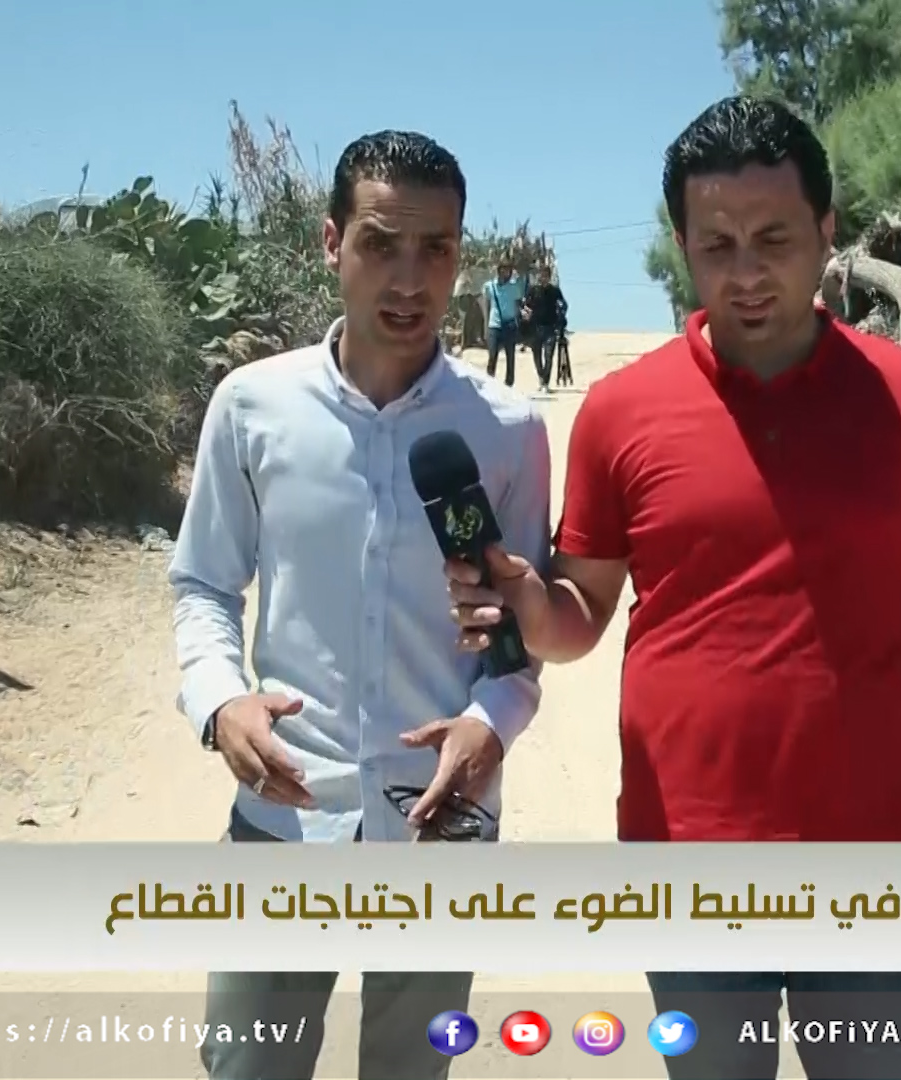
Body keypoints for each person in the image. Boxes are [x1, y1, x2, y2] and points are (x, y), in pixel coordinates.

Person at [441, 95, 901, 1080]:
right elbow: (583, 615)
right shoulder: (622, 411)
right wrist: (531, 605)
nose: (746, 273)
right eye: (716, 246)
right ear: (682, 246)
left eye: (774, 240)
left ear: (828, 232)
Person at [170, 129, 550, 1080]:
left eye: (437, 249)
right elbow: (204, 582)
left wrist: (491, 725)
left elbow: (521, 637)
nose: (410, 280)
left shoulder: (508, 430)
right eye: (381, 244)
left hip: (442, 827)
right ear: (331, 242)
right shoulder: (251, 407)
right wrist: (222, 703)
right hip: (283, 820)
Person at [522, 264, 569, 395]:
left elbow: (564, 305)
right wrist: (526, 312)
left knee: (548, 356)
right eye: (541, 275)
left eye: (545, 276)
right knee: (536, 356)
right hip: (535, 327)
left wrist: (561, 314)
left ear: (549, 277)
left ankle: (546, 383)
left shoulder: (555, 291)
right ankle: (541, 378)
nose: (543, 278)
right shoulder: (532, 290)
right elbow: (525, 305)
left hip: (550, 327)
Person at [482, 259, 526, 386]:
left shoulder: (514, 288)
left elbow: (518, 305)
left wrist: (520, 320)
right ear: (499, 270)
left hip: (510, 324)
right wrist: (485, 327)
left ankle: (509, 383)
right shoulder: (489, 286)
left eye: (508, 270)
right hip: (494, 325)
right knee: (492, 356)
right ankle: (489, 383)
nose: (506, 272)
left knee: (510, 356)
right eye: (504, 269)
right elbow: (486, 306)